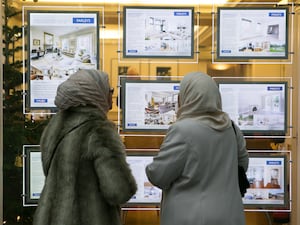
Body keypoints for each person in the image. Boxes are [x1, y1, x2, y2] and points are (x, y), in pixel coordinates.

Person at [33, 69, 137, 225]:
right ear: (94, 92)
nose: (112, 96)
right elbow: (119, 191)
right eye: (109, 90)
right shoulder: (98, 130)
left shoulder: (54, 127)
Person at [145, 72, 249, 225]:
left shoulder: (182, 130)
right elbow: (242, 165)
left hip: (190, 216)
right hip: (230, 215)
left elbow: (159, 176)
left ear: (187, 98)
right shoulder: (231, 127)